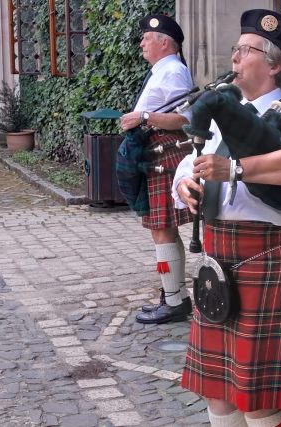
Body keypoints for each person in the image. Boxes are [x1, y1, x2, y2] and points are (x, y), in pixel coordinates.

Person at [172, 9, 281, 427]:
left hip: (271, 257)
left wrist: (237, 169)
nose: (234, 58)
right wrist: (184, 185)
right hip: (220, 258)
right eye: (236, 49)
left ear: (274, 64)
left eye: (245, 51)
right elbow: (190, 158)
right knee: (219, 395)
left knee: (258, 400)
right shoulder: (222, 107)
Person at [120, 14, 193, 324]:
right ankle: (172, 294)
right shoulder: (162, 71)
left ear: (164, 42)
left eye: (147, 39)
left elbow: (185, 118)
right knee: (160, 229)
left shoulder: (174, 71)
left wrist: (144, 117)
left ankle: (175, 301)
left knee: (161, 229)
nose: (141, 43)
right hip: (154, 153)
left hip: (165, 153)